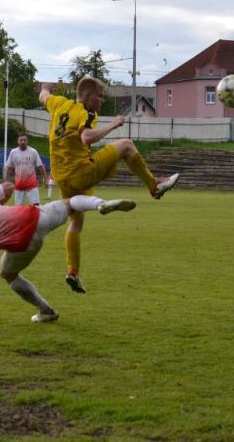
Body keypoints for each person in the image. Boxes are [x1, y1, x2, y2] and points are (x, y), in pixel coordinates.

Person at [39, 77, 179, 294]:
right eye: (100, 96)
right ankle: (154, 186)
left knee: (76, 222)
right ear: (87, 97)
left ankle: (73, 272)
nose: (102, 100)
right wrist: (113, 124)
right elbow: (87, 138)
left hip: (63, 178)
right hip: (82, 172)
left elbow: (43, 95)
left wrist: (46, 86)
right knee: (126, 145)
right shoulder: (87, 113)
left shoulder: (59, 104)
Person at [0, 182, 136, 325]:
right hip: (34, 215)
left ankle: (46, 311)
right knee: (70, 203)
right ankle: (100, 204)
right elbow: (9, 186)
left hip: (25, 243)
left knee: (8, 274)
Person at [4, 134, 47, 206]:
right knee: (18, 207)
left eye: (25, 140)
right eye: (21, 140)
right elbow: (9, 168)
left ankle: (35, 217)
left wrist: (45, 179)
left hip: (31, 184)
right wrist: (6, 181)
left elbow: (41, 166)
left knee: (36, 206)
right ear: (18, 141)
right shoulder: (13, 152)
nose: (23, 142)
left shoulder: (33, 151)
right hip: (19, 185)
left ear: (27, 141)